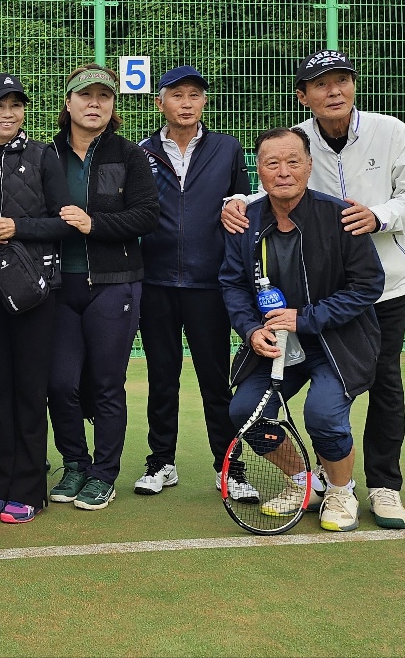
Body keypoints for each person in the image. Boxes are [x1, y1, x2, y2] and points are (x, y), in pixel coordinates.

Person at [221, 50, 405, 528]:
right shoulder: (297, 140)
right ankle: (315, 482)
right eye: (321, 84)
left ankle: (382, 486)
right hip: (307, 297)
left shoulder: (390, 131)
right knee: (262, 405)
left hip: (383, 287)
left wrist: (379, 217)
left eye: (342, 81)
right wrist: (233, 203)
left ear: (354, 86)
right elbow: (277, 185)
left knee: (384, 387)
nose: (333, 91)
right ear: (304, 96)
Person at [220, 127, 386, 532]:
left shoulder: (340, 216)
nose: (283, 171)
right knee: (245, 413)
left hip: (338, 343)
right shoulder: (246, 222)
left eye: (293, 161)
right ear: (257, 170)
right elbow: (233, 284)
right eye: (271, 163)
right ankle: (304, 482)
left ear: (310, 166)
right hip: (278, 345)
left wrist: (306, 318)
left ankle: (341, 491)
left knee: (323, 415)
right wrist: (250, 330)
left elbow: (368, 285)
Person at [133, 66, 257, 502]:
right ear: (159, 103)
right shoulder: (141, 151)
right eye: (177, 95)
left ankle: (230, 467)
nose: (187, 103)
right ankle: (160, 462)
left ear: (204, 102)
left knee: (214, 380)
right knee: (162, 377)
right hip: (156, 283)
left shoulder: (228, 149)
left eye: (195, 95)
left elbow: (241, 206)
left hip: (210, 284)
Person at [47, 64, 160, 511]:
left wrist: (96, 224)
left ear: (113, 106)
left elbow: (147, 215)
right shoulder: (46, 154)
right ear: (68, 103)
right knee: (60, 384)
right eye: (85, 95)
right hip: (57, 286)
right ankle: (74, 463)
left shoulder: (130, 155)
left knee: (109, 384)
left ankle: (103, 473)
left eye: (104, 97)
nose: (95, 103)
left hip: (115, 285)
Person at [0, 73, 70, 523]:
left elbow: (64, 222)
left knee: (30, 388)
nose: (7, 114)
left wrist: (16, 227)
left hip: (34, 291)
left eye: (15, 105)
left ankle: (29, 487)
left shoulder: (43, 155)